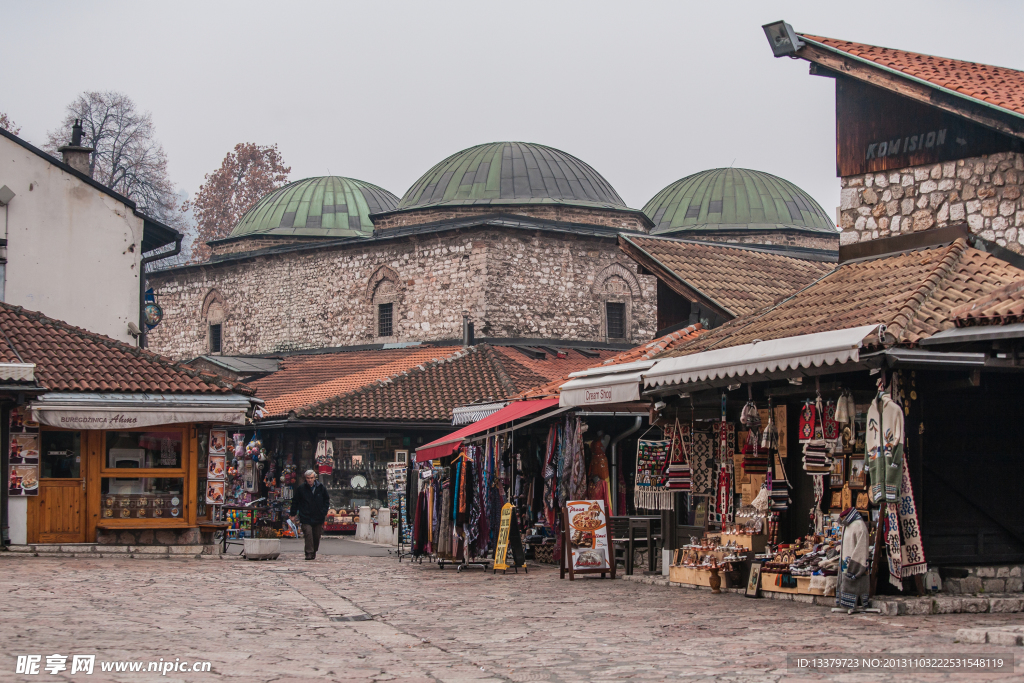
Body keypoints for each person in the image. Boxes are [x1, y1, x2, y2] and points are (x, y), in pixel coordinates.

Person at [290, 470, 330, 560]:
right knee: (308, 534)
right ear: (306, 478)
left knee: (316, 536)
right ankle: (308, 553)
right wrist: (293, 514)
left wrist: (323, 511)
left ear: (314, 478)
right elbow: (295, 501)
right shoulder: (301, 489)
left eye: (311, 478)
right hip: (306, 516)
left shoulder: (321, 488)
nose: (310, 480)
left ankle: (314, 551)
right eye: (308, 478)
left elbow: (326, 500)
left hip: (318, 516)